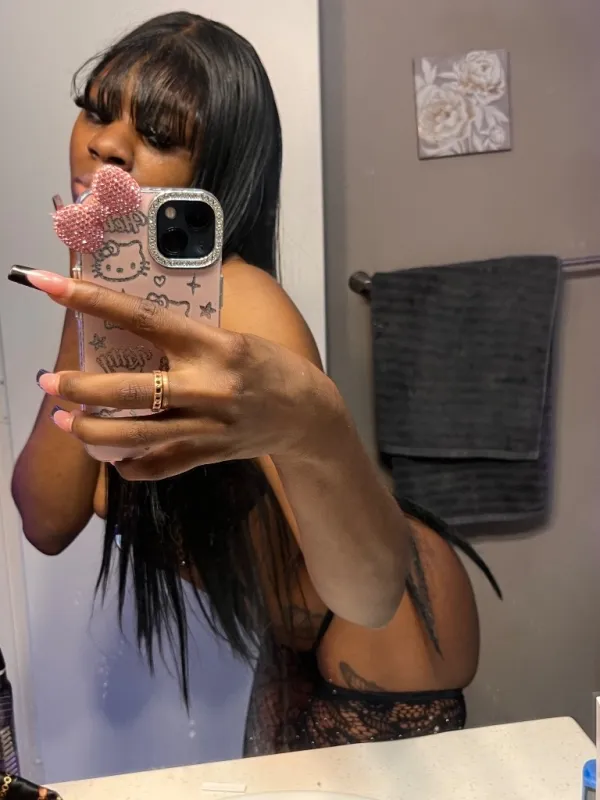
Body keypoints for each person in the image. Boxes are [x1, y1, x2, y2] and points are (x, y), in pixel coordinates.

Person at [9, 12, 498, 756]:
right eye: (98, 112)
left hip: (387, 613)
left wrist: (316, 420)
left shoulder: (242, 302)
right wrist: (88, 295)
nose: (106, 144)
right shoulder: (108, 296)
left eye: (159, 134)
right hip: (296, 624)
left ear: (217, 171)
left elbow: (369, 595)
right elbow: (46, 520)